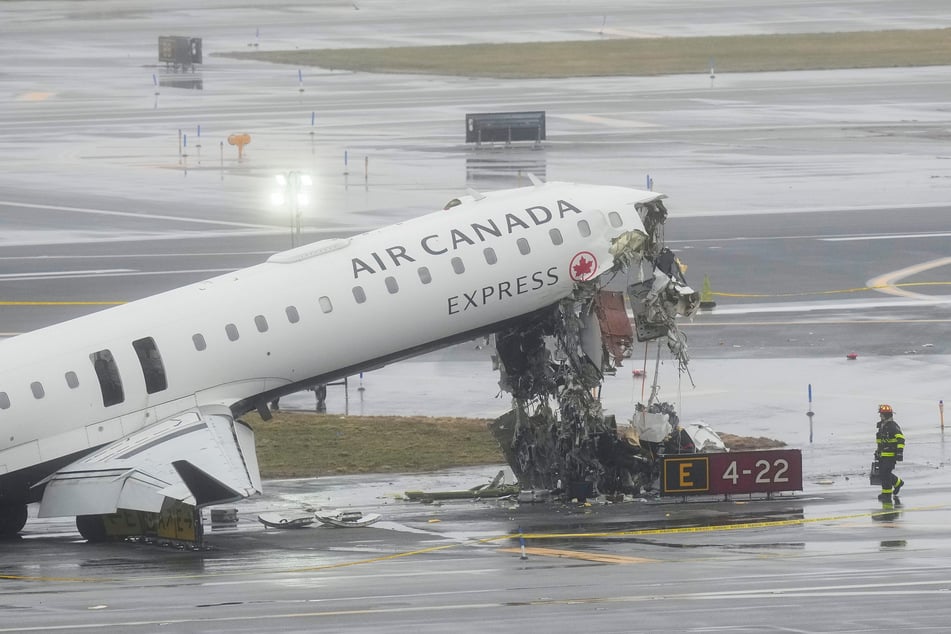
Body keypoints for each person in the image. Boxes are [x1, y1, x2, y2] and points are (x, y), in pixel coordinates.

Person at [875, 404, 905, 503]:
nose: (880, 416)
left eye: (882, 414)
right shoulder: (882, 426)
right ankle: (898, 483)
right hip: (882, 455)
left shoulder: (892, 426)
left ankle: (887, 495)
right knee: (883, 474)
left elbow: (901, 438)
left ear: (886, 415)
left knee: (885, 474)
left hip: (890, 456)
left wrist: (900, 453)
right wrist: (878, 451)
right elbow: (880, 441)